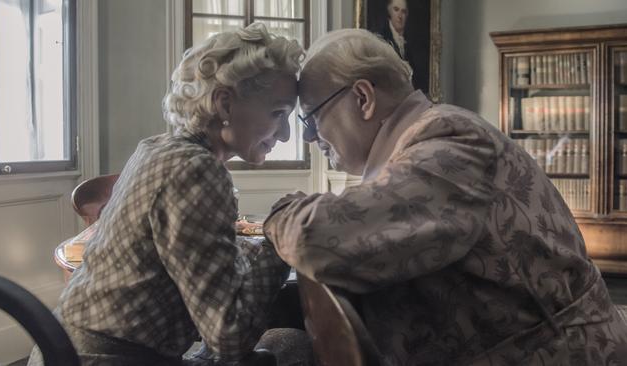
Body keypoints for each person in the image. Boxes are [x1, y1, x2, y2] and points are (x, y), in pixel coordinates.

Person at [264, 28, 627, 365]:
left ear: (363, 98)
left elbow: (317, 241)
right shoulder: (422, 144)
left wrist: (282, 210)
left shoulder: (448, 139)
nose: (310, 137)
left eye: (310, 118)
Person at [28, 23, 313, 366]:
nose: (283, 135)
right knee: (291, 344)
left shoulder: (155, 149)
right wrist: (282, 234)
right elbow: (230, 337)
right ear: (225, 104)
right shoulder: (197, 170)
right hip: (102, 360)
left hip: (59, 347)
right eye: (278, 113)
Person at [377, 0, 429, 94]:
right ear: (389, 11)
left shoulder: (410, 41)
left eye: (403, 11)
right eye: (396, 10)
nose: (400, 16)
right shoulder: (381, 38)